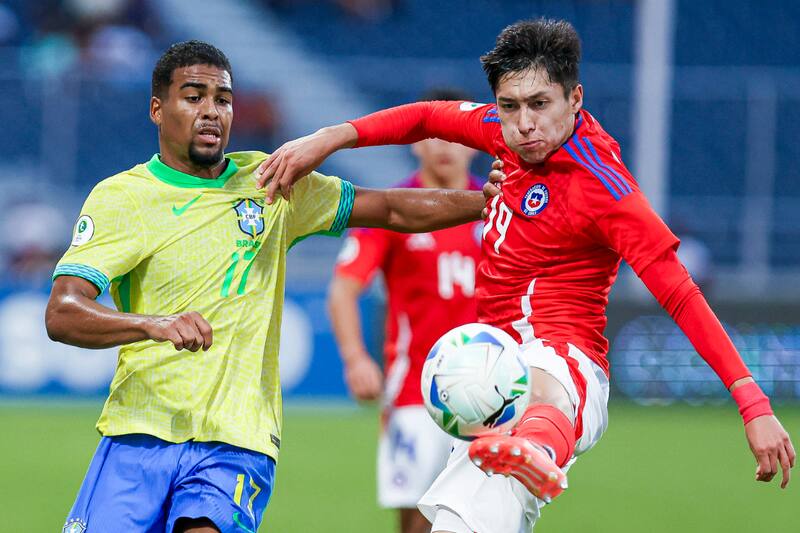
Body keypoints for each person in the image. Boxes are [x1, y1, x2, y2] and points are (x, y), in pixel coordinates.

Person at [255, 18, 795, 533]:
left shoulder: (605, 186)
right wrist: (328, 138)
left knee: (538, 383)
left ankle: (536, 448)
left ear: (574, 99)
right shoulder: (503, 135)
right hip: (491, 388)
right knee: (452, 524)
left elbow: (679, 293)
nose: (524, 123)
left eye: (540, 104)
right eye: (510, 107)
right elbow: (423, 116)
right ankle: (523, 449)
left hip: (567, 366)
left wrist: (754, 404)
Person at [45, 40, 489, 533]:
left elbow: (390, 207)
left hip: (237, 440)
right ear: (157, 108)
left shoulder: (270, 182)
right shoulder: (122, 199)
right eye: (194, 97)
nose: (211, 111)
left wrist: (490, 202)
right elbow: (63, 311)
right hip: (138, 431)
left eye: (223, 99)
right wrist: (152, 324)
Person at [328, 88, 482, 533]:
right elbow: (343, 289)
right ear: (416, 143)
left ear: (473, 144)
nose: (446, 147)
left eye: (456, 137)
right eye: (435, 136)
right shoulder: (393, 209)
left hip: (489, 393)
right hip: (414, 393)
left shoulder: (498, 207)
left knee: (485, 517)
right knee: (415, 522)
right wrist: (357, 358)